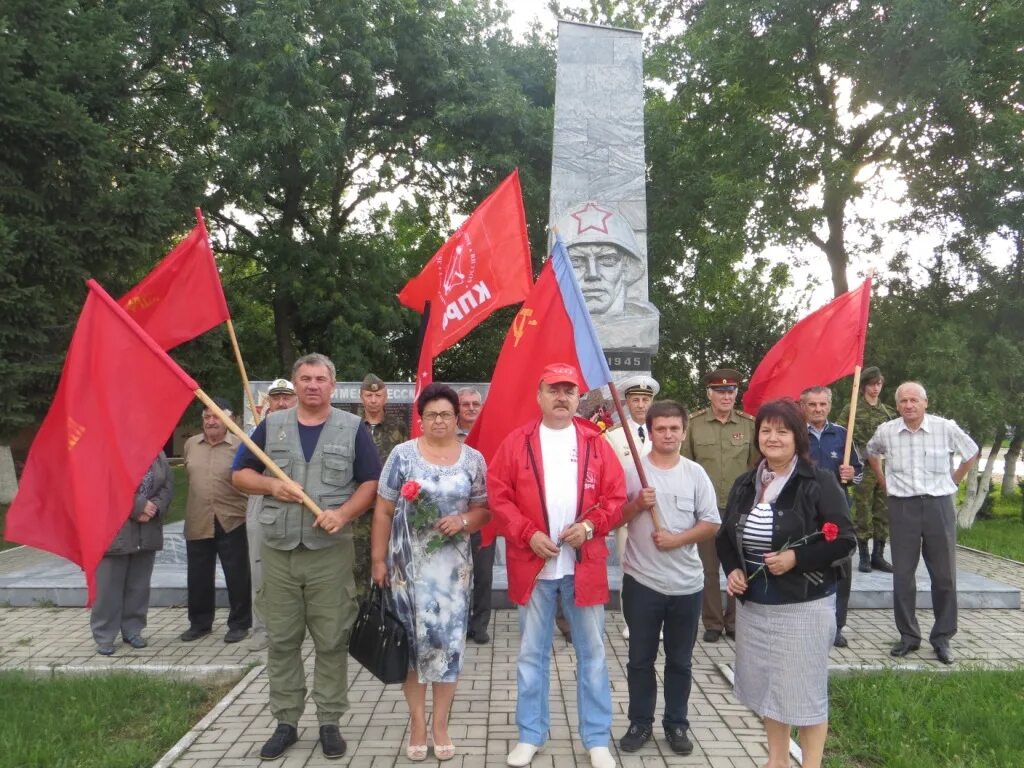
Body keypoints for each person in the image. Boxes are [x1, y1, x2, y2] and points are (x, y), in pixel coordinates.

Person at [232, 353, 382, 761]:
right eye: (305, 378)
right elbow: (239, 474)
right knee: (282, 641)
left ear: (333, 386)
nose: (312, 385)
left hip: (329, 553)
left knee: (331, 640)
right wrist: (270, 486)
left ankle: (330, 721)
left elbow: (371, 482)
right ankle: (286, 721)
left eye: (320, 379)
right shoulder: (272, 426)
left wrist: (345, 513)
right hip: (279, 551)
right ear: (295, 385)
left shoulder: (352, 429)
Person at [488, 363, 626, 768]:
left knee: (594, 654)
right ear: (540, 395)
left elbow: (615, 498)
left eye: (569, 390)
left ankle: (597, 739)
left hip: (582, 566)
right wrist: (527, 532)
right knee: (531, 655)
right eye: (554, 389)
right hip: (534, 565)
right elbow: (498, 497)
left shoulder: (595, 443)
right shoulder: (518, 442)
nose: (562, 397)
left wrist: (588, 525)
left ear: (578, 397)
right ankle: (531, 735)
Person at [716, 398, 856, 768]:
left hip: (803, 607)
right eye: (766, 430)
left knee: (804, 693)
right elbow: (725, 538)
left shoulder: (818, 481)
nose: (772, 437)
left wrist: (797, 558)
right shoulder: (747, 483)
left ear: (797, 436)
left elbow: (844, 539)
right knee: (770, 690)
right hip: (756, 609)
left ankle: (811, 764)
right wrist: (733, 570)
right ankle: (776, 762)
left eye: (782, 430)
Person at [370, 383, 490, 762]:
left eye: (446, 415)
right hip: (407, 572)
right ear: (420, 418)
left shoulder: (473, 459)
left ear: (458, 419)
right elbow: (383, 509)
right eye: (432, 414)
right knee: (411, 650)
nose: (439, 421)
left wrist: (464, 520)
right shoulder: (402, 455)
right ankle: (418, 723)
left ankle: (441, 724)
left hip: (452, 576)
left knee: (447, 649)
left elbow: (485, 510)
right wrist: (378, 560)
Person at [617, 401, 719, 756]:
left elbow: (711, 523)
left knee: (680, 661)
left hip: (686, 585)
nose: (668, 434)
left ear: (684, 431)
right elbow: (613, 518)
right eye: (661, 428)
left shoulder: (695, 474)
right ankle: (639, 722)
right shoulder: (633, 472)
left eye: (674, 428)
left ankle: (676, 724)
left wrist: (677, 539)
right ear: (651, 430)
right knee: (640, 659)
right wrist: (635, 506)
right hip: (642, 583)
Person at [866, 382, 979, 665]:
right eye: (903, 401)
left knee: (944, 576)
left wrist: (954, 480)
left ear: (925, 402)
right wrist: (883, 481)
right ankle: (908, 636)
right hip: (902, 506)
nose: (908, 405)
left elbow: (971, 451)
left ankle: (942, 638)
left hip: (939, 506)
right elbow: (871, 452)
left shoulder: (945, 428)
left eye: (914, 400)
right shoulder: (887, 431)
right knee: (903, 576)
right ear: (897, 405)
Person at [682, 367, 756, 643]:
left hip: (739, 508)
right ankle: (713, 622)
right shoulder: (695, 424)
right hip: (706, 508)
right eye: (720, 391)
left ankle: (735, 621)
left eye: (731, 391)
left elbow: (755, 466)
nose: (726, 396)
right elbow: (686, 467)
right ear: (709, 393)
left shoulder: (749, 425)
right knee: (708, 568)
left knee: (739, 565)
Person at [181, 399, 251, 644]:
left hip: (232, 518)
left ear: (229, 421)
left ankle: (240, 624)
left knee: (237, 574)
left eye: (216, 417)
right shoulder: (191, 445)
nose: (211, 421)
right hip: (198, 518)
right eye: (207, 416)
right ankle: (199, 624)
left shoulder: (241, 445)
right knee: (198, 575)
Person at [90, 452, 172, 655]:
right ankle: (105, 635)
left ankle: (133, 630)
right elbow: (106, 485)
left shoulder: (157, 452)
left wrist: (154, 508)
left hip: (147, 530)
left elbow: (168, 484)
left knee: (139, 586)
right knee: (108, 588)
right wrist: (138, 506)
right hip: (115, 531)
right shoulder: (111, 449)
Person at [800, 386, 863, 648]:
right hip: (804, 514)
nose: (818, 409)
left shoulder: (842, 436)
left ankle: (836, 625)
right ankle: (805, 623)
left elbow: (859, 474)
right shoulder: (795, 435)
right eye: (812, 405)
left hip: (837, 515)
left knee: (840, 569)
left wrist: (851, 474)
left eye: (822, 404)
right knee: (805, 567)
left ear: (829, 405)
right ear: (803, 406)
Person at [605, 374, 658, 640]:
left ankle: (655, 621)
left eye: (645, 400)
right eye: (635, 400)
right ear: (626, 402)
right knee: (630, 569)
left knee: (656, 567)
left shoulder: (661, 431)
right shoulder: (614, 436)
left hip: (656, 512)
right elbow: (611, 477)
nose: (640, 405)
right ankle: (632, 621)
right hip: (628, 514)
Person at [245, 377, 297, 651]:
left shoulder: (304, 429)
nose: (281, 402)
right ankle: (262, 628)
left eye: (286, 397)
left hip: (297, 504)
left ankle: (294, 626)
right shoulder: (259, 431)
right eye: (275, 398)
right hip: (263, 502)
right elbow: (240, 472)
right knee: (260, 569)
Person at [838, 366, 896, 573]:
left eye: (879, 384)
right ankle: (863, 555)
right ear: (863, 386)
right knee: (863, 510)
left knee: (883, 511)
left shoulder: (888, 412)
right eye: (872, 384)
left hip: (885, 467)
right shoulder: (852, 409)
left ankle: (878, 555)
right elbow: (841, 434)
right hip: (863, 467)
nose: (875, 388)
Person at [356, 373, 409, 593]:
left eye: (378, 395)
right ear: (362, 397)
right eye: (369, 395)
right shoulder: (352, 426)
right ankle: (358, 622)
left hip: (389, 510)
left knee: (390, 567)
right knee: (357, 568)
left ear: (385, 396)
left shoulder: (399, 427)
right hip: (358, 512)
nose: (374, 400)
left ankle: (387, 620)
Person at [455, 386, 494, 644]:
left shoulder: (493, 433)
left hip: (482, 515)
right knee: (456, 573)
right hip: (453, 516)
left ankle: (479, 624)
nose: (470, 408)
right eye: (465, 404)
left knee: (482, 573)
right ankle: (457, 622)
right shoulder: (448, 435)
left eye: (475, 404)